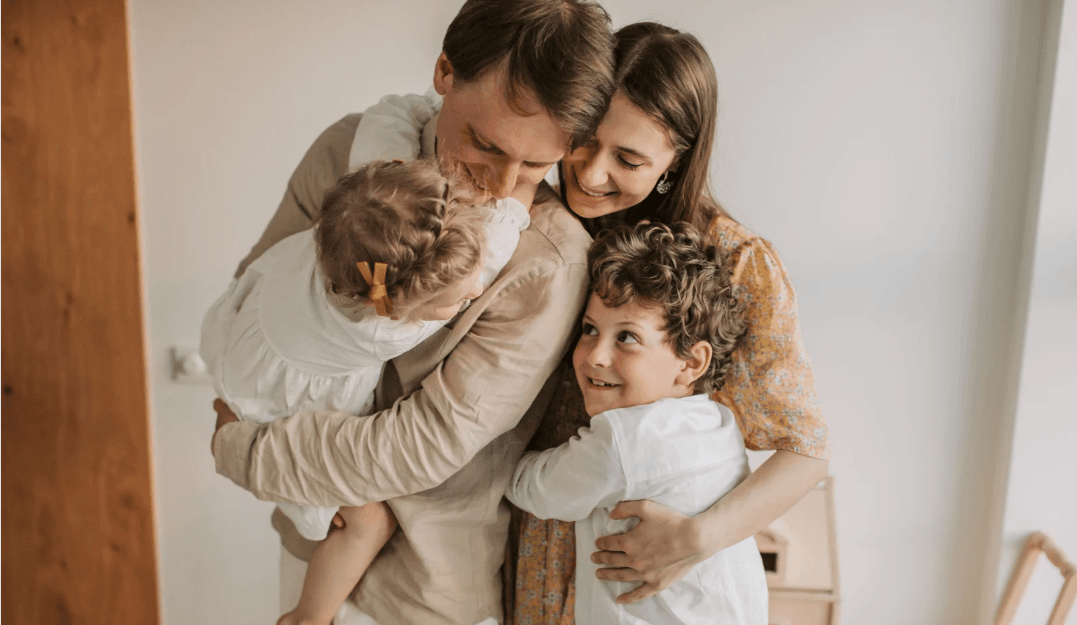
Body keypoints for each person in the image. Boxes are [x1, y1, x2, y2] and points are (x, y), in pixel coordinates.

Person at [210, 1, 617, 624]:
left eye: (538, 165)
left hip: (422, 592)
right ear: (444, 71)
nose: (502, 185)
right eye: (485, 144)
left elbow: (425, 443)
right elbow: (260, 293)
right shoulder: (346, 151)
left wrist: (244, 449)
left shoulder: (550, 262)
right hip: (309, 538)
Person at [512, 22, 830, 623]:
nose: (591, 173)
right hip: (534, 552)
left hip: (643, 578)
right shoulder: (533, 220)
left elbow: (805, 453)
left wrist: (696, 540)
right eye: (584, 139)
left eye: (628, 159)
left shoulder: (736, 263)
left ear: (674, 162)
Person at [200, 157, 536, 625]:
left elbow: (383, 137)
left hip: (242, 350)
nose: (478, 289)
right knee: (368, 520)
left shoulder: (345, 229)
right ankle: (308, 617)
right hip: (272, 403)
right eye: (458, 300)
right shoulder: (380, 327)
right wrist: (524, 193)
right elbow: (498, 244)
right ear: (396, 307)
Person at [508, 221, 767, 624]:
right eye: (589, 329)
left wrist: (504, 446)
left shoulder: (626, 439)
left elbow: (536, 489)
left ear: (691, 362)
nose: (595, 356)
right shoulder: (718, 423)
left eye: (626, 337)